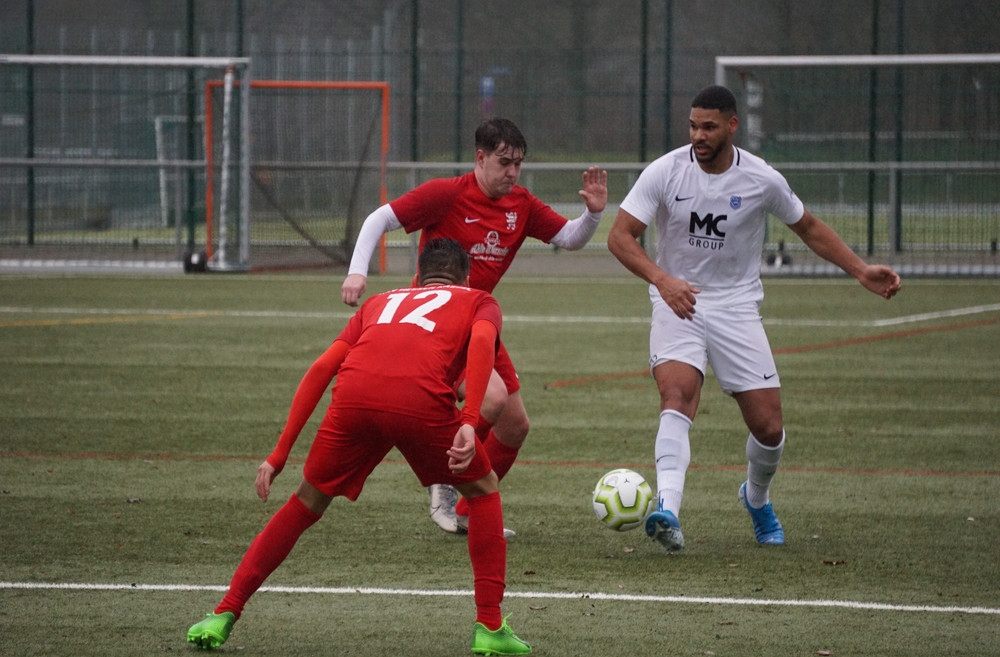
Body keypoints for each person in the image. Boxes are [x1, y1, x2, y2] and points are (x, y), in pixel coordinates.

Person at [187, 238, 532, 656]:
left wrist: (279, 454)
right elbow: (480, 347)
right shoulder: (479, 300)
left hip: (353, 398)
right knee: (483, 490)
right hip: (419, 401)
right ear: (467, 276)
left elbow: (321, 368)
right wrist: (468, 419)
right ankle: (490, 627)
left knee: (304, 503)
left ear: (418, 277)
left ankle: (224, 611)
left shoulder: (380, 301)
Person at [607, 85, 901, 553]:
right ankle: (668, 510)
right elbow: (620, 236)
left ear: (731, 126)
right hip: (676, 300)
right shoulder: (665, 170)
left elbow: (808, 227)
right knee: (677, 395)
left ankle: (756, 498)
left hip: (736, 307)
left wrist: (861, 269)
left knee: (768, 427)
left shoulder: (761, 179)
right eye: (692, 126)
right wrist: (663, 281)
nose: (698, 136)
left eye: (708, 127)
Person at [342, 117, 608, 535]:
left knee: (515, 425)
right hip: (434, 325)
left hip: (479, 323)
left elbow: (570, 238)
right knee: (493, 397)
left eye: (518, 164)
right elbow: (379, 219)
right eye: (504, 162)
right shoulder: (445, 194)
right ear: (480, 158)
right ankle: (442, 475)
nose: (512, 172)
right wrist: (357, 272)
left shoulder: (521, 204)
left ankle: (469, 513)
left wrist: (592, 215)